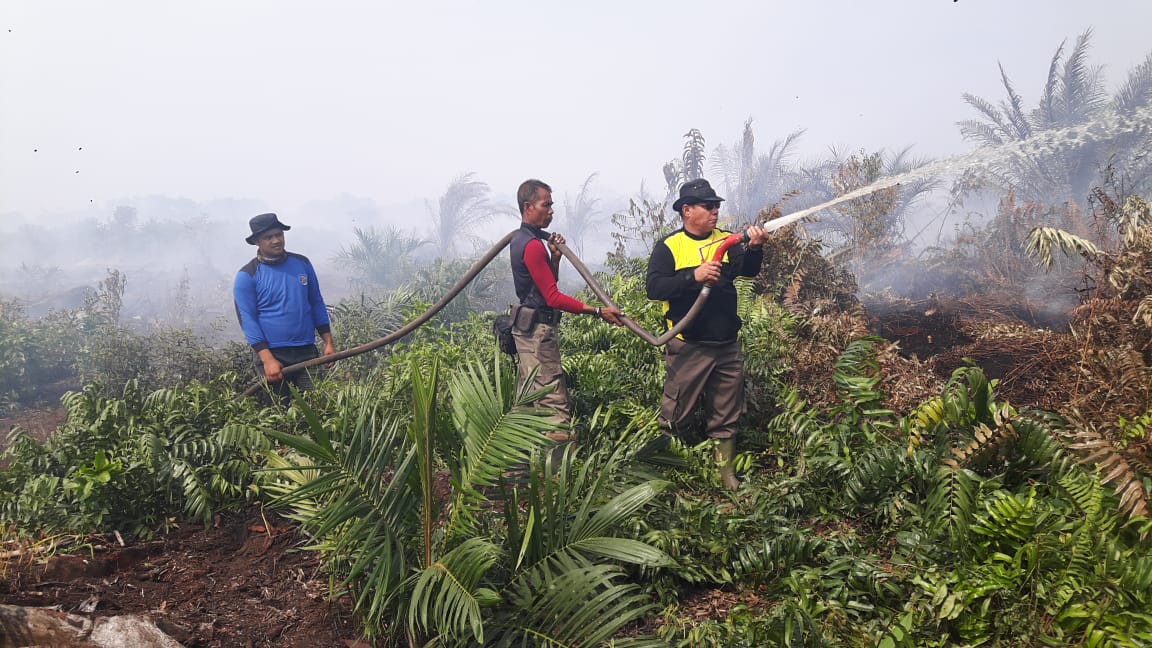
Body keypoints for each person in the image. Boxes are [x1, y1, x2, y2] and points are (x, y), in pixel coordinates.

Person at [645, 178, 768, 489]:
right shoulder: (670, 246)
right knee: (676, 413)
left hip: (727, 344)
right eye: (709, 206)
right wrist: (693, 276)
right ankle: (661, 475)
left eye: (717, 206)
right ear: (687, 210)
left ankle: (727, 475)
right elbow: (654, 288)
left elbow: (748, 271)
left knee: (726, 412)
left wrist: (754, 248)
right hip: (689, 345)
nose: (715, 211)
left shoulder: (726, 240)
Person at [510, 179, 623, 437]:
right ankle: (559, 474)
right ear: (528, 206)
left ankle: (514, 473)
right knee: (554, 406)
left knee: (526, 406)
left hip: (526, 334)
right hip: (538, 336)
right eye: (546, 205)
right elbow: (552, 297)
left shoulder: (523, 240)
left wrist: (555, 258)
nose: (551, 211)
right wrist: (597, 311)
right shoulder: (530, 245)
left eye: (551, 205)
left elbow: (542, 287)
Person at [233, 212, 336, 406]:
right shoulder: (247, 275)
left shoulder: (302, 264)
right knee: (280, 414)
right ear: (257, 241)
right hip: (274, 355)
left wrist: (328, 342)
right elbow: (248, 320)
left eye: (278, 234)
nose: (276, 240)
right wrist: (267, 359)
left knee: (318, 409)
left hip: (306, 351)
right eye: (268, 237)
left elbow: (316, 302)